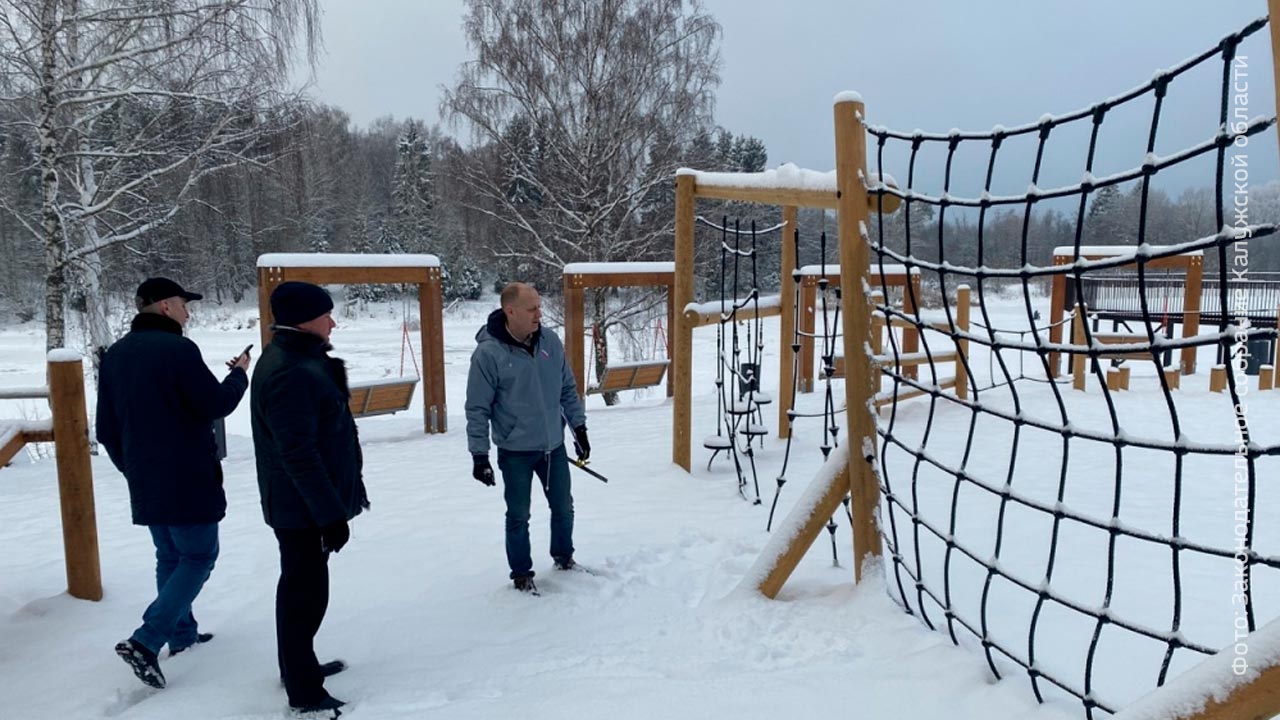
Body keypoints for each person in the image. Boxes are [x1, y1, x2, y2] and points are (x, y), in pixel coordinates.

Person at [97, 277, 251, 689]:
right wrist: (239, 375)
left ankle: (182, 636)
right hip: (187, 475)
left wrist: (133, 468)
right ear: (165, 306)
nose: (188, 311)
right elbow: (216, 404)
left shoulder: (114, 356)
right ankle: (146, 641)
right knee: (199, 557)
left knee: (170, 557)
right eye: (184, 304)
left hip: (145, 478)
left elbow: (106, 429)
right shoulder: (179, 349)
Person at [251, 281, 368, 717]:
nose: (333, 321)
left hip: (303, 506)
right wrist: (330, 515)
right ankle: (304, 692)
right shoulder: (290, 371)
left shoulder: (300, 359)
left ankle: (298, 666)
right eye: (326, 314)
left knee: (305, 588)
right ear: (303, 320)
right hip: (300, 509)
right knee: (304, 594)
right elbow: (297, 453)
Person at [466, 282, 589, 595]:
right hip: (515, 450)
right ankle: (521, 575)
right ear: (511, 311)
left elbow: (566, 389)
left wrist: (580, 428)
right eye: (532, 308)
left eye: (539, 307)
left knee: (564, 506)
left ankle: (564, 558)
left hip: (553, 446)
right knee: (519, 515)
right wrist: (480, 456)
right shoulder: (488, 354)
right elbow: (477, 408)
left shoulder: (550, 341)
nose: (539, 314)